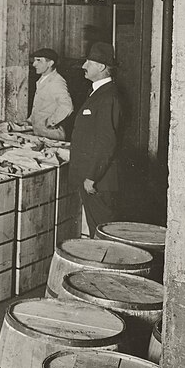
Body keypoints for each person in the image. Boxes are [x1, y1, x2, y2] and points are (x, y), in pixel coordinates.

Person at [69, 41, 126, 235]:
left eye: (89, 62)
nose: (84, 66)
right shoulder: (97, 92)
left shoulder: (108, 97)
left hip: (99, 182)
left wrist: (92, 177)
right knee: (98, 231)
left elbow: (106, 142)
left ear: (101, 67)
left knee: (104, 233)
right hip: (92, 178)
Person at [28, 47, 74, 139]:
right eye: (34, 60)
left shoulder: (56, 81)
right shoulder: (42, 79)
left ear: (50, 63)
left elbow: (67, 107)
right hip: (40, 132)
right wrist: (30, 120)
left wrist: (49, 122)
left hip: (51, 134)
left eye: (38, 60)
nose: (34, 64)